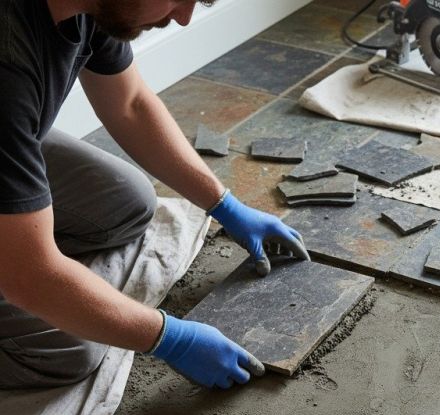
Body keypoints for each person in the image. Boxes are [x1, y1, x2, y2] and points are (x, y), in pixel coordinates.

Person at [0, 0, 309, 391]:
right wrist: (169, 338)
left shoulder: (88, 8)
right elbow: (31, 276)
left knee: (126, 203)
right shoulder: (8, 64)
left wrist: (225, 205)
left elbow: (131, 105)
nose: (184, 17)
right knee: (68, 348)